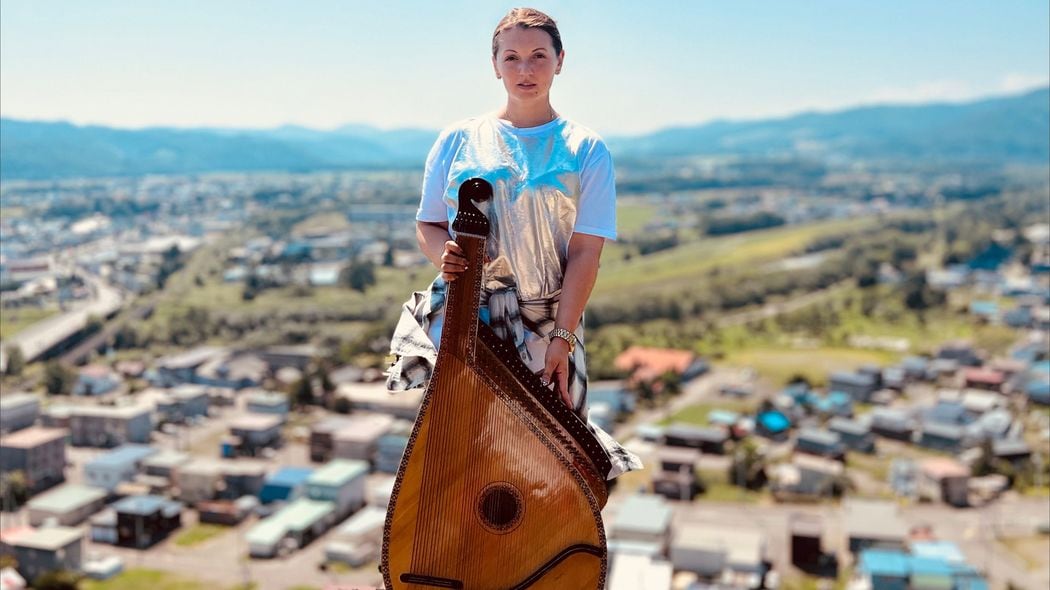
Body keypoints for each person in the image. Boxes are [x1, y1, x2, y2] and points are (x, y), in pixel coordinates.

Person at [386, 7, 641, 480]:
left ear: (560, 60)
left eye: (539, 55)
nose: (526, 69)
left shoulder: (586, 148)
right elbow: (429, 225)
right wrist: (442, 254)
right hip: (470, 318)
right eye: (513, 57)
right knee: (469, 463)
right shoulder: (458, 139)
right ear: (495, 64)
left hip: (550, 324)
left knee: (551, 469)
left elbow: (586, 251)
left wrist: (562, 340)